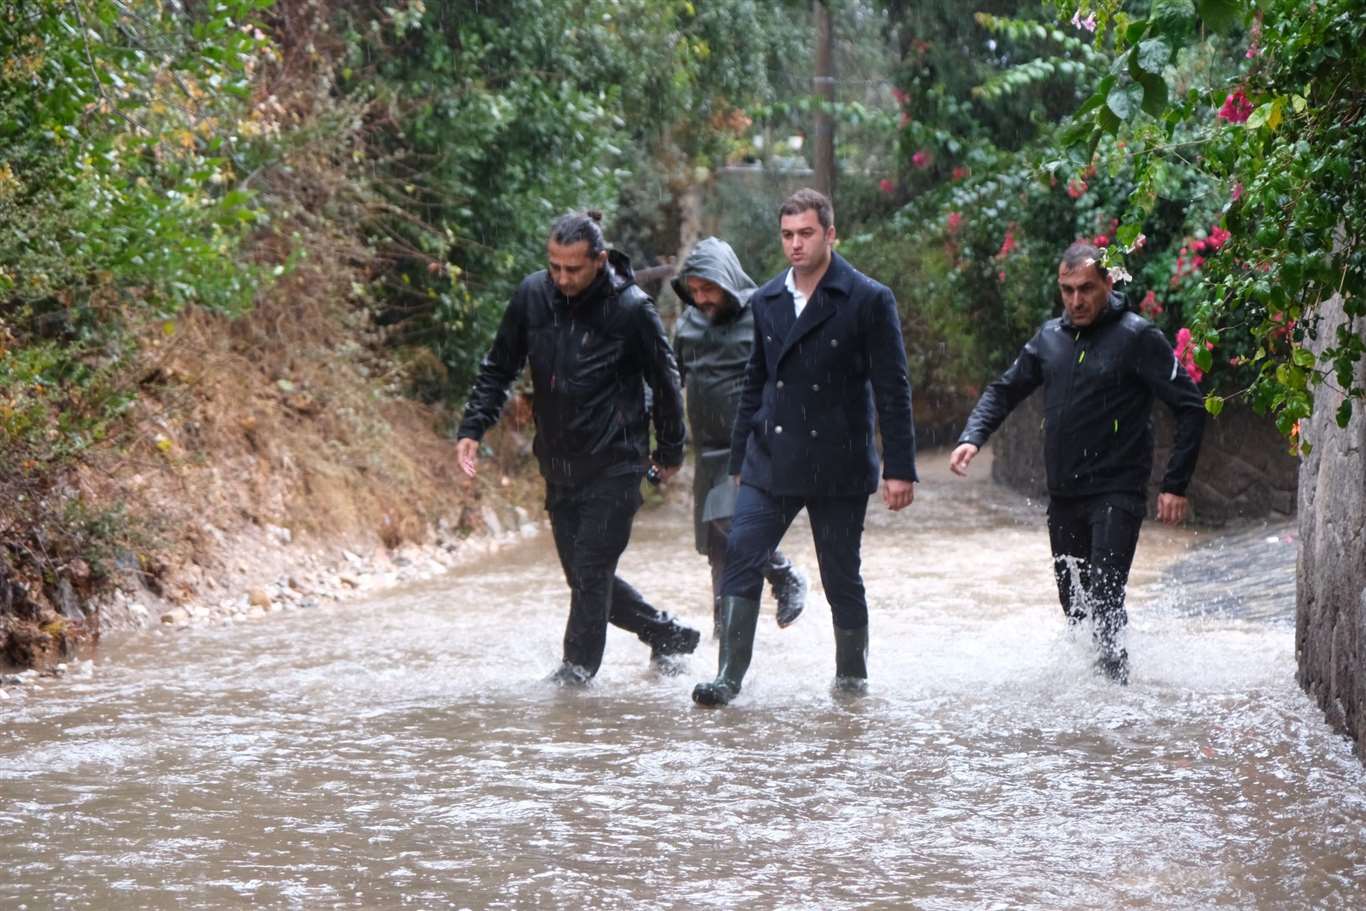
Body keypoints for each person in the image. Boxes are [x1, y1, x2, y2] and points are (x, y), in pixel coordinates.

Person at [692, 188, 918, 707]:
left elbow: (892, 386)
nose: (796, 244)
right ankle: (728, 676)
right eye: (788, 235)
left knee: (841, 573)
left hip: (839, 459)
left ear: (830, 234)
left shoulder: (867, 298)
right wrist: (736, 464)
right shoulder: (768, 299)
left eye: (806, 234)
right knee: (743, 554)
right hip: (770, 457)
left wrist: (900, 468)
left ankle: (851, 679)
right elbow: (756, 381)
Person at [455, 210, 701, 685]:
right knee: (587, 578)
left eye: (573, 269)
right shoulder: (532, 296)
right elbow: (499, 365)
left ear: (600, 261)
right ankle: (665, 634)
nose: (562, 278)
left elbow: (666, 382)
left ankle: (575, 675)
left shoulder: (632, 310)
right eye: (554, 267)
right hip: (559, 463)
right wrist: (473, 425)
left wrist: (669, 451)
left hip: (616, 463)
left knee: (590, 571)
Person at [948, 242, 1206, 685]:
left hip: (1117, 493)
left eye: (1086, 288)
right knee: (1076, 611)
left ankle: (1114, 704)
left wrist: (1174, 484)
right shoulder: (1049, 338)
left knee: (1106, 601)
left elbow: (1191, 406)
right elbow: (1004, 390)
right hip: (1065, 497)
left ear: (1108, 283)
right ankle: (1087, 712)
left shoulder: (1137, 337)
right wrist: (973, 436)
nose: (1076, 300)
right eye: (1067, 290)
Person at [671, 237, 809, 638]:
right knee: (720, 553)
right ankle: (726, 640)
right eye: (694, 291)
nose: (702, 299)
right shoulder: (689, 325)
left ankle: (784, 575)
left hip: (753, 448)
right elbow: (670, 378)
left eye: (709, 288)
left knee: (730, 519)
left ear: (729, 281)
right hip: (708, 453)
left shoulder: (763, 314)